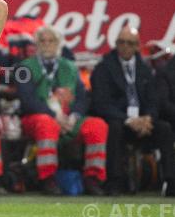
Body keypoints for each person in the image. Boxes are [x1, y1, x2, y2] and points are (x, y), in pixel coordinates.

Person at [17, 26, 107, 195]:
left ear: (59, 44)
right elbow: (28, 101)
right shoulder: (25, 67)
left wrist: (73, 116)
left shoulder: (70, 67)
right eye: (42, 41)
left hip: (68, 119)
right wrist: (54, 116)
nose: (47, 44)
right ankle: (47, 178)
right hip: (37, 119)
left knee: (97, 125)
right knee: (46, 123)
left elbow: (82, 98)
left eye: (51, 41)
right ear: (36, 44)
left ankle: (92, 178)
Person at [90, 26, 175, 196]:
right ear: (115, 44)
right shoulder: (104, 68)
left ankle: (171, 181)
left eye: (129, 43)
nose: (125, 47)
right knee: (113, 128)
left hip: (142, 121)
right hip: (119, 120)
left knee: (165, 128)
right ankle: (115, 181)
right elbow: (101, 103)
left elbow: (154, 100)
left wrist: (148, 118)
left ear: (137, 46)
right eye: (121, 42)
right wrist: (128, 120)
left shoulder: (144, 69)